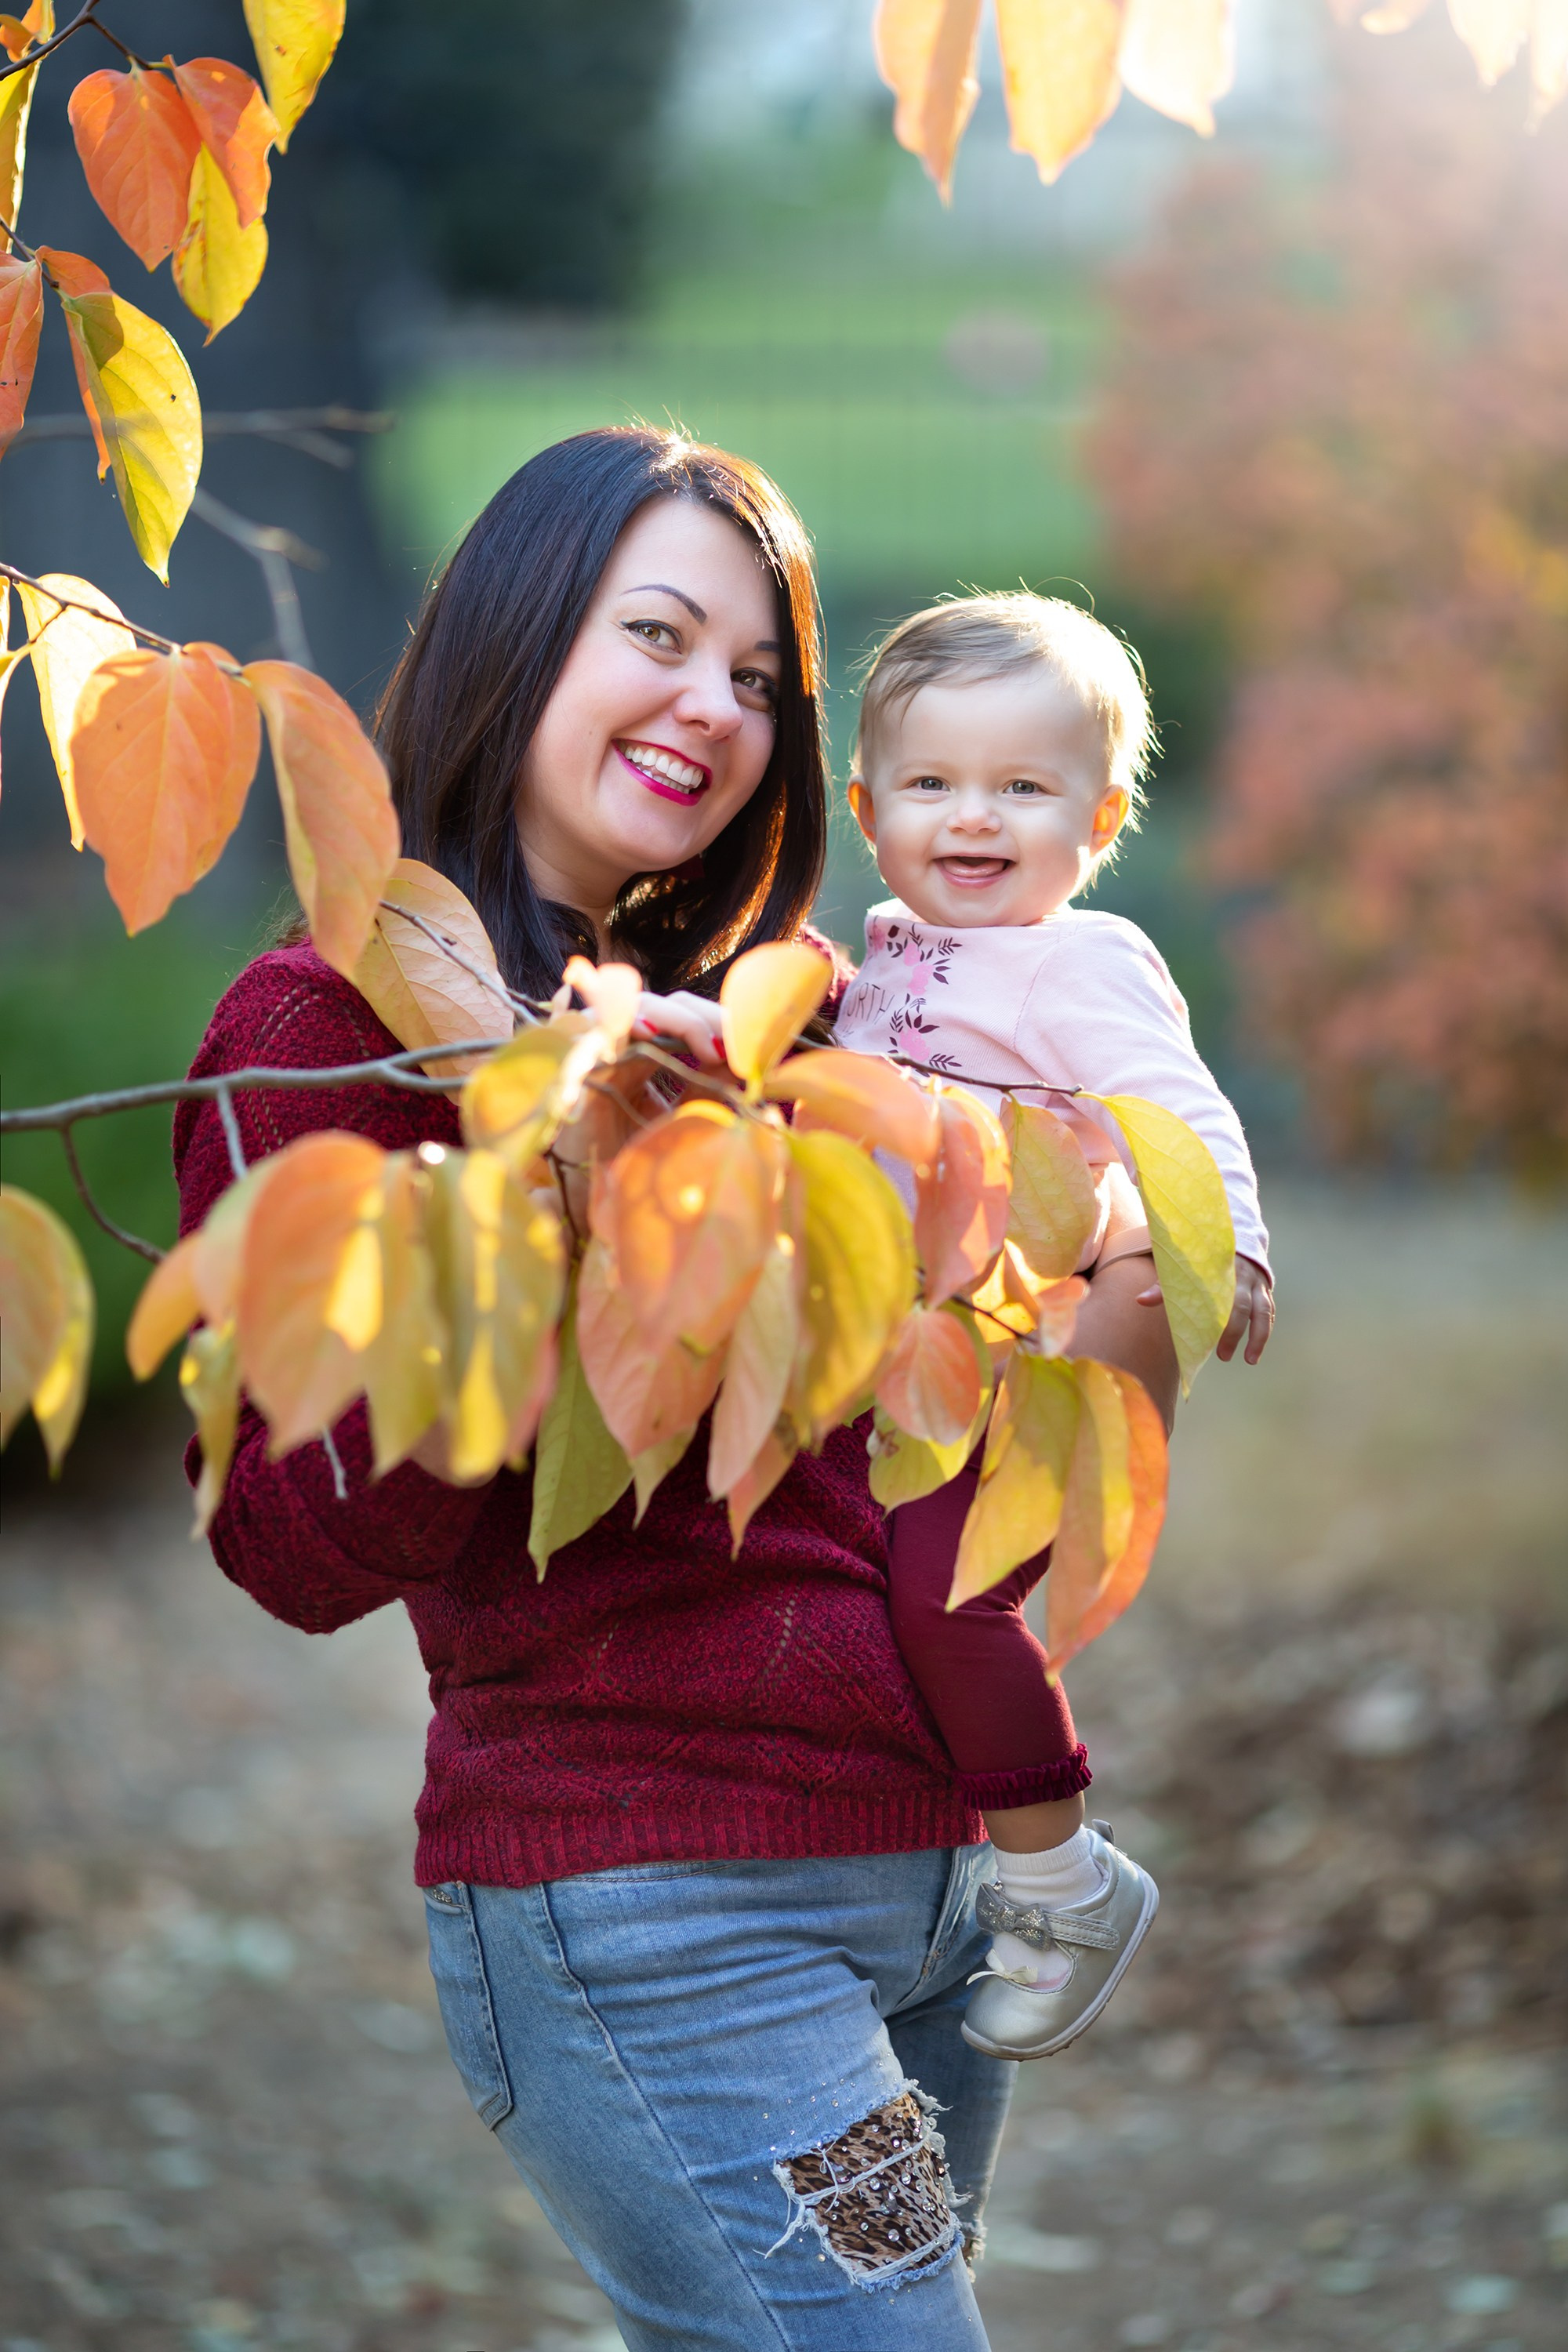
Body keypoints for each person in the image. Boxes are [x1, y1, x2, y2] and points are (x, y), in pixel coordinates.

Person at [174, 432, 1175, 2350]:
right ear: (514, 635)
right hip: (663, 1906)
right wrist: (543, 1204)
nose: (710, 707)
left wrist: (1097, 1245)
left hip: (924, 1888)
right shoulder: (328, 1024)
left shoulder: (795, 1011)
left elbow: (963, 1400)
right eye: (658, 634)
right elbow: (291, 1543)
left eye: (756, 679)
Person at [832, 590, 1275, 2065]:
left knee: (949, 1601)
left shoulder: (1080, 960)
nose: (975, 818)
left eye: (1024, 788)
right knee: (902, 1587)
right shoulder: (878, 957)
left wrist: (1233, 1247)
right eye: (934, 782)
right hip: (905, 1357)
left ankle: (1061, 1877)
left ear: (1101, 818)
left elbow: (1176, 1108)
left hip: (1024, 1356)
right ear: (867, 806)